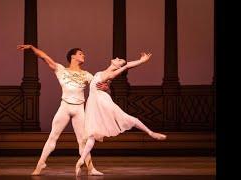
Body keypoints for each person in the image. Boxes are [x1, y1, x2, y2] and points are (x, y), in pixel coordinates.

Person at [17, 44, 109, 175]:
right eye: (80, 53)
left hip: (79, 110)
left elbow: (100, 85)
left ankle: (91, 168)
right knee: (52, 137)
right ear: (73, 56)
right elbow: (44, 57)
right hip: (65, 107)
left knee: (83, 140)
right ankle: (40, 165)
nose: (83, 55)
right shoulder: (61, 69)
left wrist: (105, 87)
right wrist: (32, 48)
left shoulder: (87, 75)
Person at [75, 53, 167, 176]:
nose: (117, 58)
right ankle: (81, 161)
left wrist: (141, 61)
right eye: (118, 58)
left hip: (102, 102)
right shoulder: (101, 73)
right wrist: (107, 87)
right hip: (94, 104)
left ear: (118, 67)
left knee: (128, 119)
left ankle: (151, 133)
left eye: (120, 60)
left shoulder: (112, 73)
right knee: (92, 134)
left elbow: (127, 66)